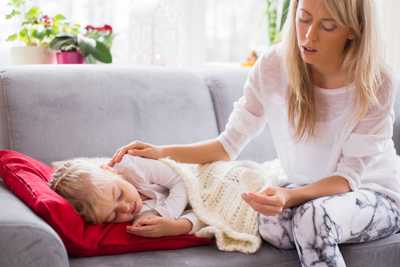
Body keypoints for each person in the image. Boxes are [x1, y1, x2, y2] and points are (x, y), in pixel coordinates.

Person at [108, 0, 400, 265]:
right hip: (307, 193)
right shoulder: (274, 65)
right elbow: (226, 146)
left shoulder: (376, 81)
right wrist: (161, 152)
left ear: (353, 30)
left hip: (373, 193)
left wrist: (290, 196)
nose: (309, 36)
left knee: (313, 219)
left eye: (327, 26)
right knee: (267, 220)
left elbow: (347, 179)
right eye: (303, 19)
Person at [49, 155, 202, 238]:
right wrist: (179, 226)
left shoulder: (134, 166)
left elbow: (182, 180)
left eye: (119, 194)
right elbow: (204, 216)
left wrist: (163, 214)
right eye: (113, 215)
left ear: (109, 170)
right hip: (205, 202)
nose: (126, 208)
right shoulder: (140, 217)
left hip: (201, 175)